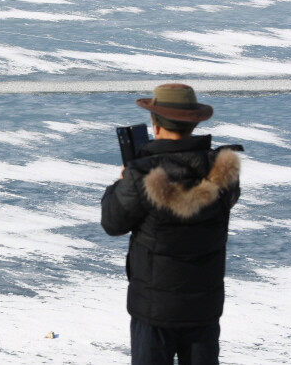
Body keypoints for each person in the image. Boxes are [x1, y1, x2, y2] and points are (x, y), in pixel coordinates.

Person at [101, 84, 241, 365]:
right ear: (194, 123)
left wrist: (121, 181)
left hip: (153, 312)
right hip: (204, 308)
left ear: (155, 124)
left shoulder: (141, 176)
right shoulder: (223, 173)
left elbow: (112, 222)